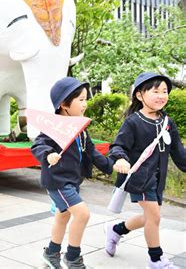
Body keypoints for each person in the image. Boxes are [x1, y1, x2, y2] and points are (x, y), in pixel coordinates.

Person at [31, 77, 128, 269]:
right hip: (57, 180)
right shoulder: (54, 126)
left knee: (63, 215)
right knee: (82, 214)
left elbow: (91, 152)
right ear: (64, 104)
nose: (85, 104)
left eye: (86, 99)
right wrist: (48, 154)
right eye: (81, 100)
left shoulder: (80, 129)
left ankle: (51, 253)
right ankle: (73, 257)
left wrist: (111, 166)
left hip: (73, 180)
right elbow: (38, 144)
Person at [104, 72, 186, 269]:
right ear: (140, 95)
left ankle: (116, 230)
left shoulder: (167, 122)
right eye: (155, 91)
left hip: (158, 180)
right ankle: (156, 260)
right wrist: (121, 158)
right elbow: (117, 146)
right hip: (138, 178)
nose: (161, 95)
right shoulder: (133, 122)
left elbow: (180, 154)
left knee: (149, 217)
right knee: (154, 216)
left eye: (164, 91)